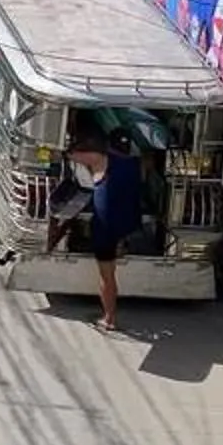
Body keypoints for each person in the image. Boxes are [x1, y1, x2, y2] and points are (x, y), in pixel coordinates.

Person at [66, 133, 143, 332]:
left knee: (107, 276)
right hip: (127, 222)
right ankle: (122, 246)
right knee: (110, 272)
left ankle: (109, 318)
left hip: (105, 227)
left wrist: (67, 150)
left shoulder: (100, 160)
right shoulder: (135, 164)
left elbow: (73, 155)